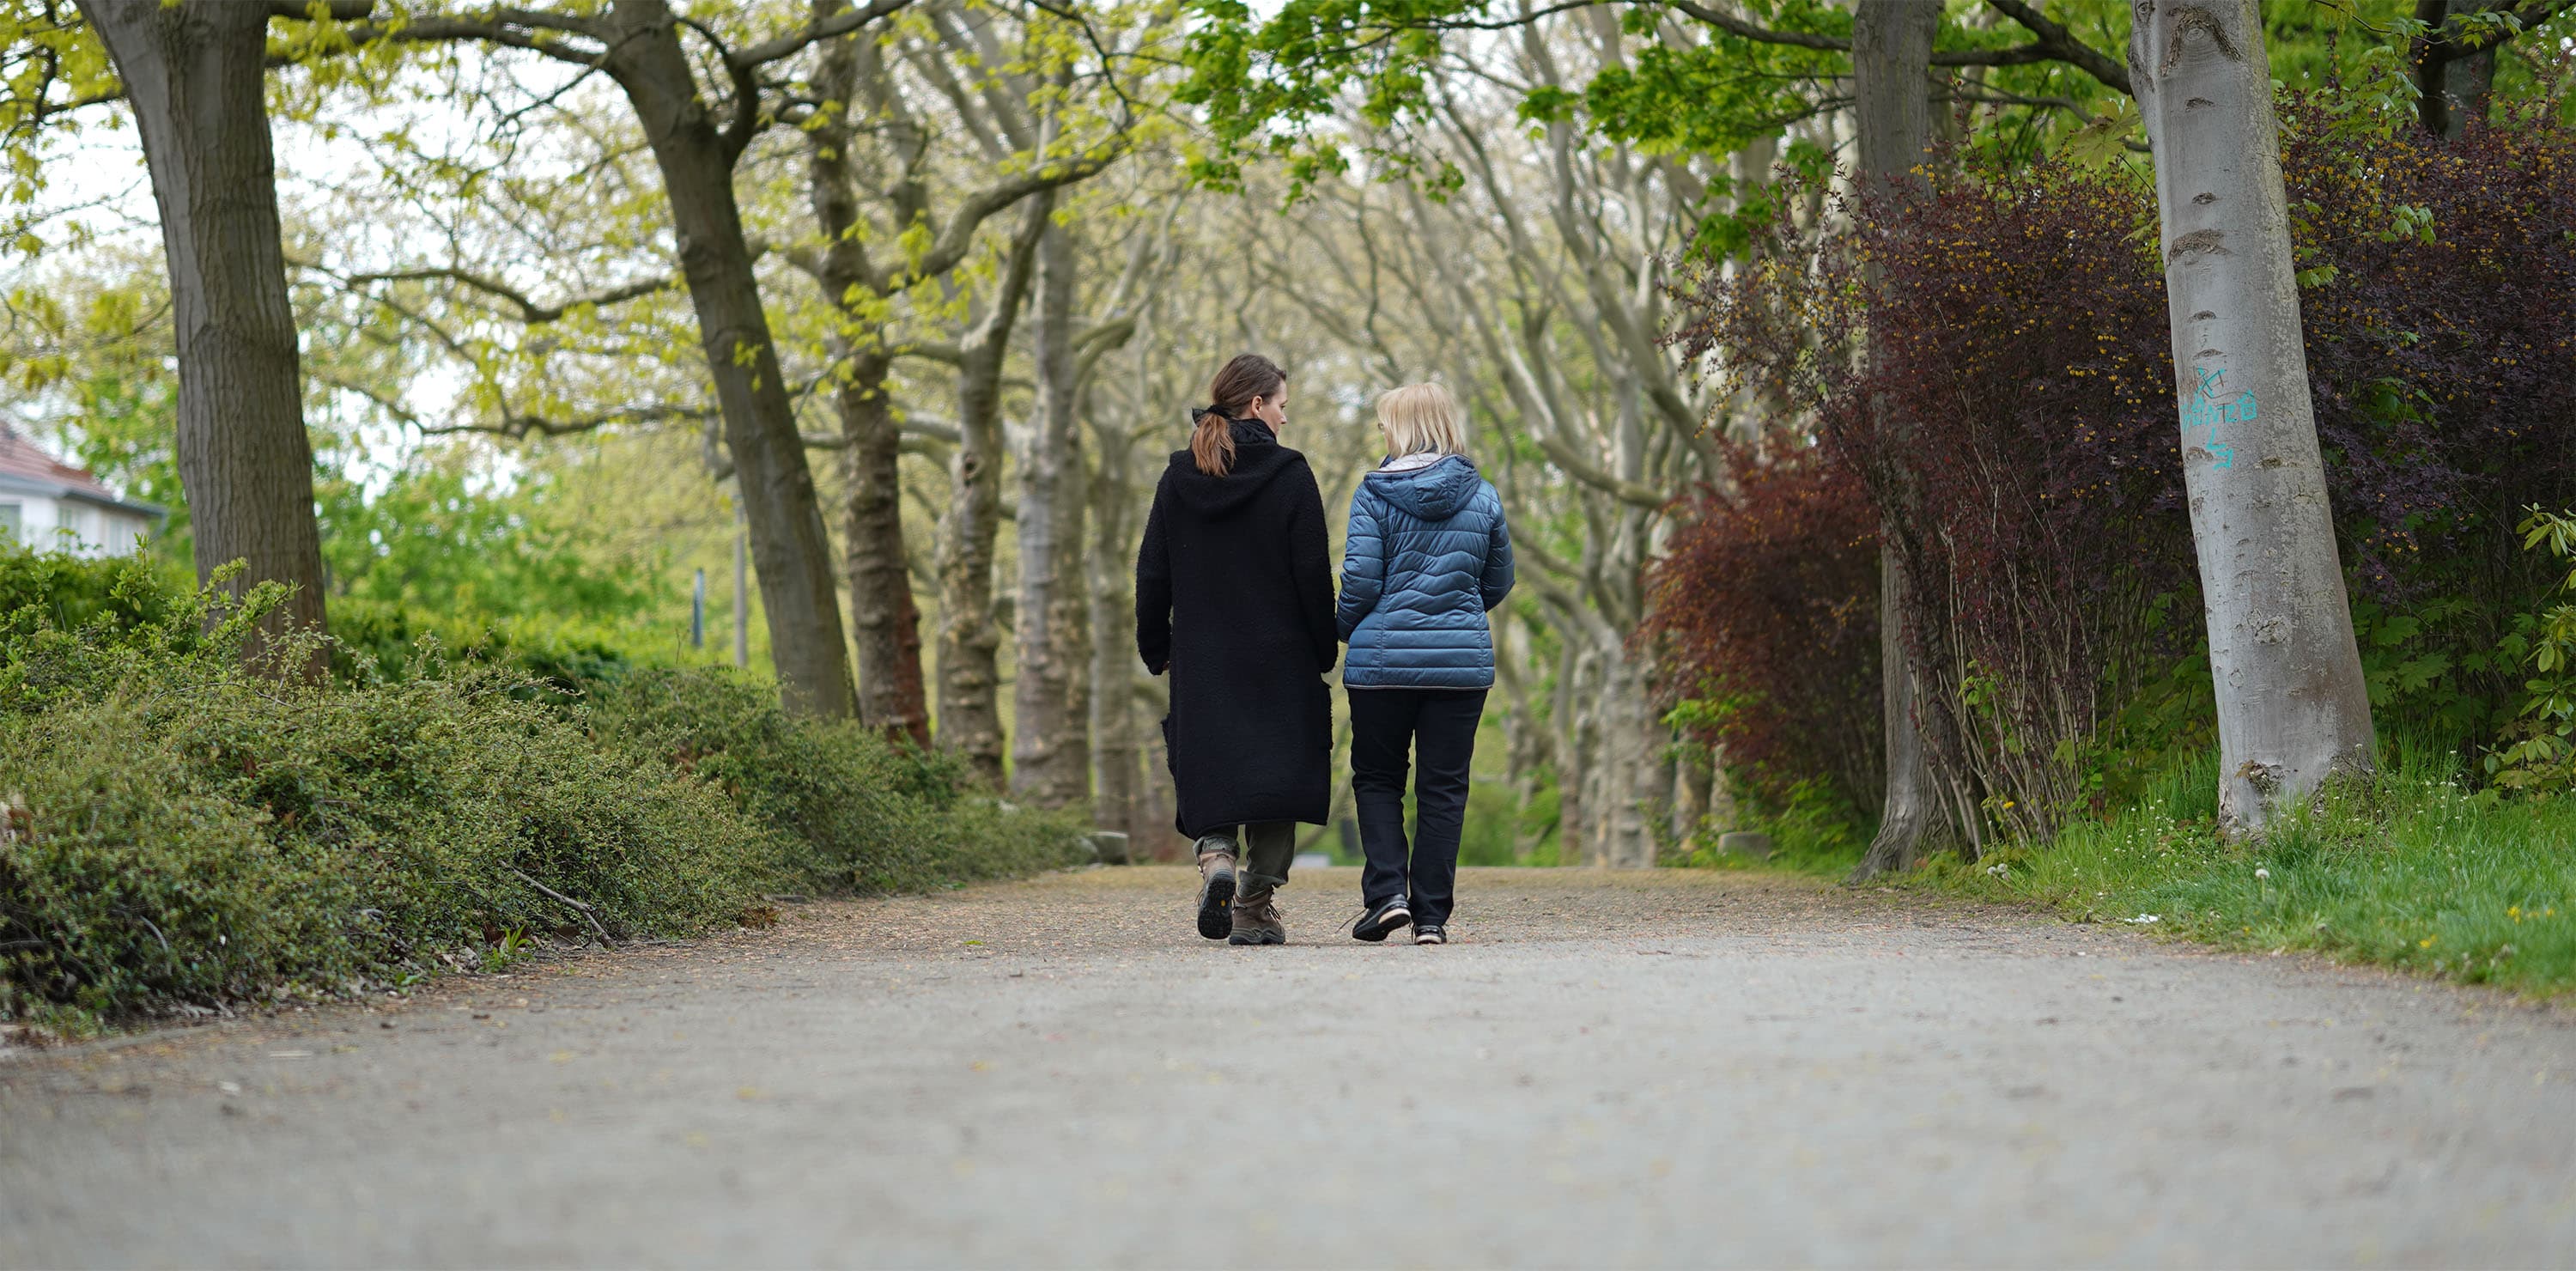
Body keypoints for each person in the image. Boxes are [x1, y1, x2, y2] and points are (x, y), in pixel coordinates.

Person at [1134, 354, 1338, 946]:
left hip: (1204, 657)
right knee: (1276, 775)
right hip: (1282, 655)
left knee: (1211, 763)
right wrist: (1323, 649)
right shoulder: (1291, 474)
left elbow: (1152, 576)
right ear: (1257, 405)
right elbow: (1312, 575)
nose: (1283, 419)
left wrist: (1157, 648)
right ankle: (1254, 899)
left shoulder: (1177, 479)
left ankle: (1217, 857)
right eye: (1281, 406)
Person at [1334, 383, 1514, 946]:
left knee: (1379, 779)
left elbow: (1361, 581)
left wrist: (1341, 630)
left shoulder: (1373, 495)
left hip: (1381, 665)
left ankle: (1388, 895)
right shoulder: (1483, 495)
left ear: (1402, 428)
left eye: (1386, 423)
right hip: (1460, 667)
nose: (1382, 433)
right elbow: (1499, 579)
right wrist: (1456, 615)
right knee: (1444, 790)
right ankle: (1431, 918)